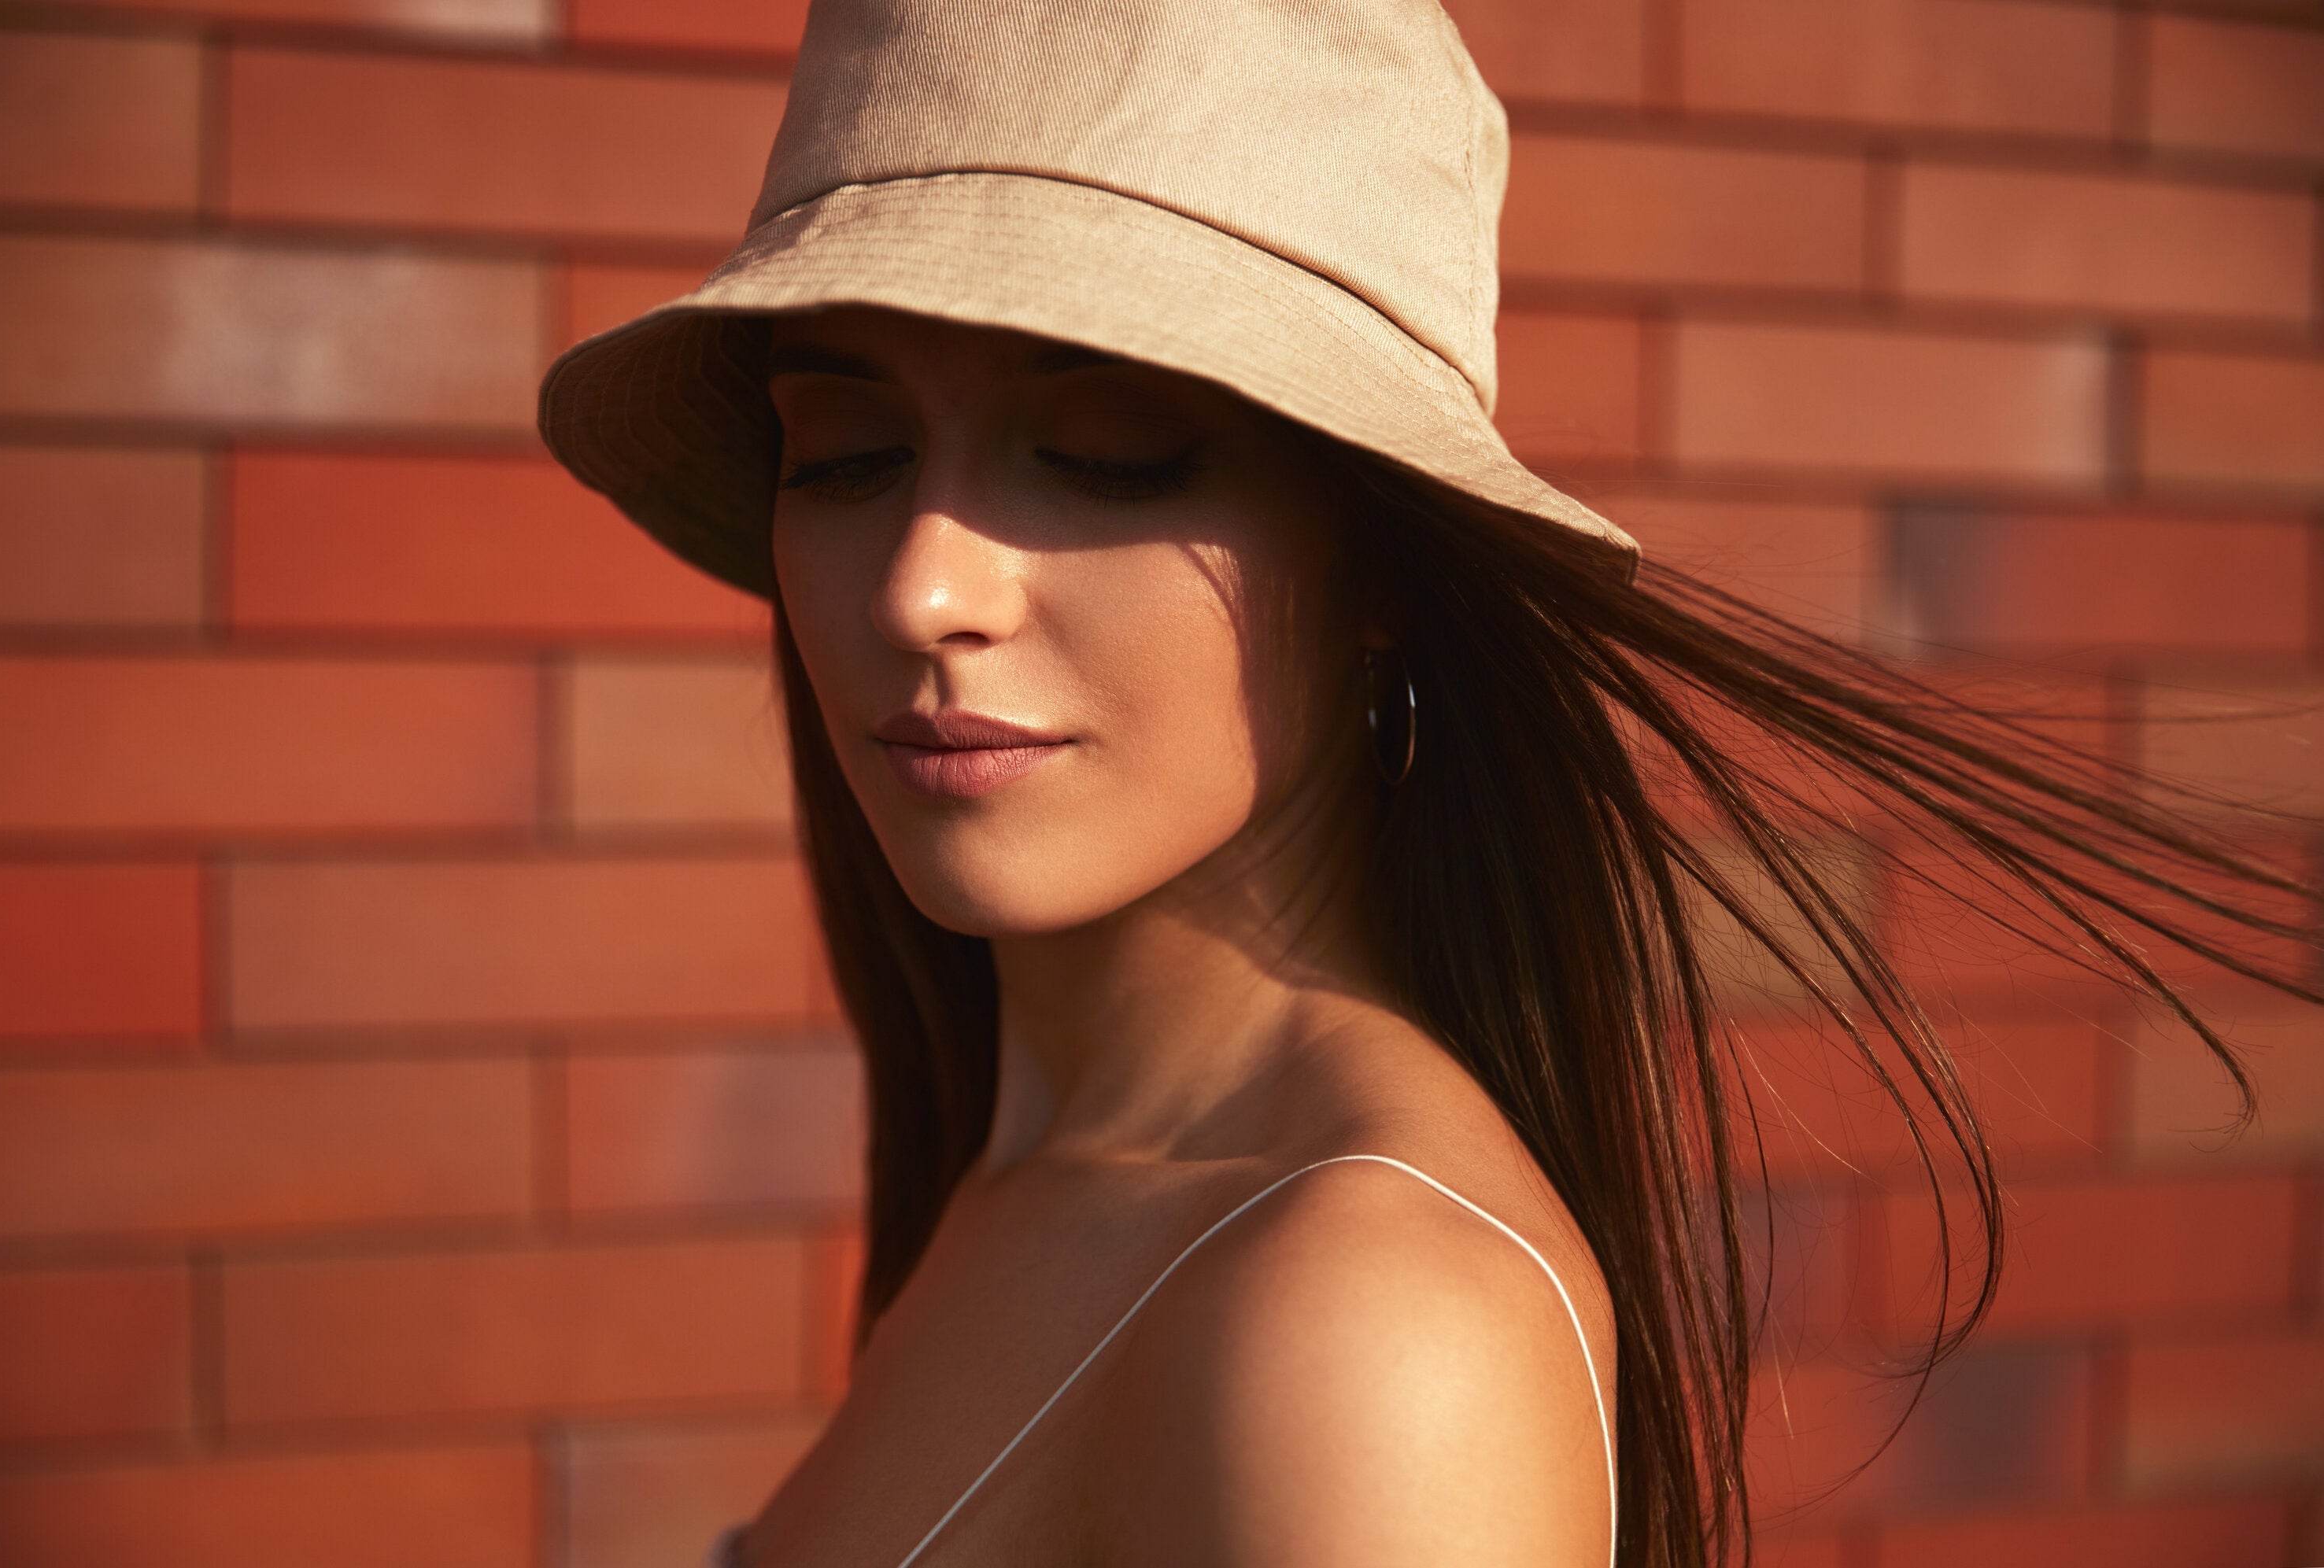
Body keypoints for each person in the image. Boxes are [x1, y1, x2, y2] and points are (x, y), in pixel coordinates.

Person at [538, 2, 2319, 1563]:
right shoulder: (1042, 1166)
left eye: (1104, 454)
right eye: (843, 454)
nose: (925, 588)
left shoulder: (1368, 1318)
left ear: (1381, 556)